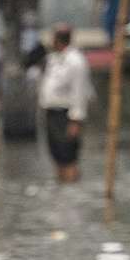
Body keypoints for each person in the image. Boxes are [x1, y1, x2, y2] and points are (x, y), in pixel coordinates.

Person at [39, 23, 92, 182]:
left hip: (66, 114)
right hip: (51, 112)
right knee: (56, 153)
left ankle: (71, 186)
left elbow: (79, 91)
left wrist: (75, 120)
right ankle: (61, 187)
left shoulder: (76, 61)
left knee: (68, 154)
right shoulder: (53, 58)